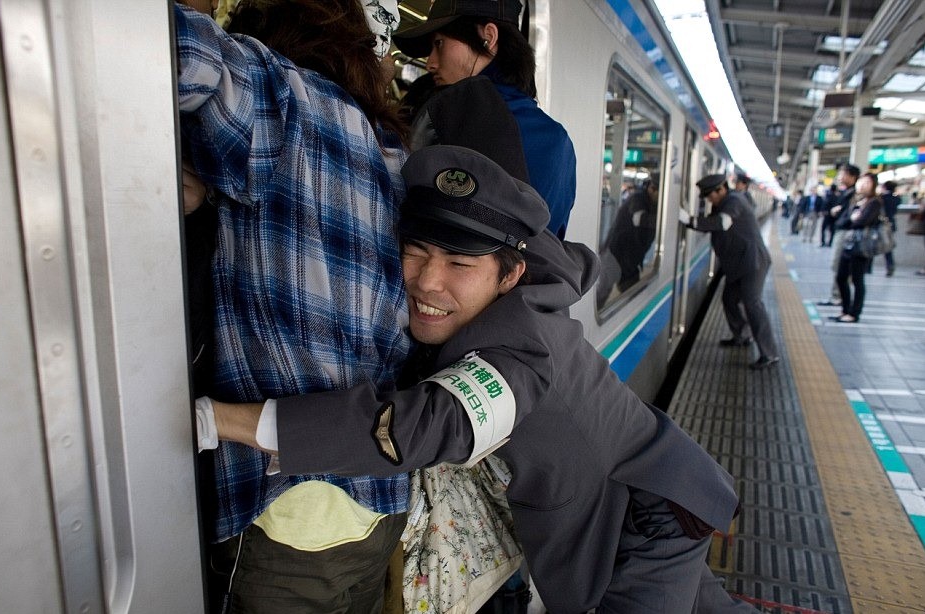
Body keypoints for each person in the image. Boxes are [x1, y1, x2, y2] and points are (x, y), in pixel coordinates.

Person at [197, 145, 757, 614]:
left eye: (460, 266)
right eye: (414, 252)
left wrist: (224, 419)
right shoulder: (524, 287)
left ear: (510, 274)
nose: (427, 282)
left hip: (643, 521)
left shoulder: (519, 353)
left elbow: (424, 427)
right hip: (654, 485)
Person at [175, 2, 415, 611]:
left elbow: (150, 44)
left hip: (286, 511)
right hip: (378, 500)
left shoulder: (275, 98)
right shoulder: (389, 152)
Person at [392, 0, 577, 239]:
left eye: (439, 44)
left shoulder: (447, 122)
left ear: (488, 36)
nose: (430, 63)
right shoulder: (558, 140)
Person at [679, 174, 780, 370]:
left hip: (753, 263)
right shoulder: (723, 203)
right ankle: (742, 336)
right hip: (738, 264)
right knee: (729, 299)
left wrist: (688, 219)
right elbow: (710, 223)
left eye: (710, 195)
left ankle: (769, 353)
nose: (709, 200)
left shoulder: (734, 200)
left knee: (753, 304)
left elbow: (721, 223)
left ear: (721, 189)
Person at [831, 172, 884, 323]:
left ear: (873, 185)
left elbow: (862, 221)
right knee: (841, 277)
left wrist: (853, 219)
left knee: (857, 280)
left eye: (867, 182)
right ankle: (845, 310)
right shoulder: (857, 201)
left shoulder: (875, 202)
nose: (863, 185)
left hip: (862, 247)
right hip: (849, 244)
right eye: (862, 181)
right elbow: (843, 221)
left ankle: (854, 313)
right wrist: (852, 218)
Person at [606, 176, 659, 291]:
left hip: (631, 256)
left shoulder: (651, 201)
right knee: (627, 290)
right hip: (621, 254)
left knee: (629, 288)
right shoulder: (638, 198)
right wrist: (663, 220)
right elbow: (638, 219)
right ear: (652, 189)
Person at [818, 164, 861, 306]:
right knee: (837, 266)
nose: (840, 177)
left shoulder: (853, 194)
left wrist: (838, 211)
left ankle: (838, 296)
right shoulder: (847, 192)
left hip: (846, 233)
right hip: (841, 231)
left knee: (839, 266)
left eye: (843, 174)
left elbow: (851, 215)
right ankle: (838, 295)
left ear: (852, 176)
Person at [880, 180, 900, 276]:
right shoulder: (897, 198)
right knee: (888, 247)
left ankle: (867, 267)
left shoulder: (882, 197)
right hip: (891, 224)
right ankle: (890, 265)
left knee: (871, 243)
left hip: (880, 224)